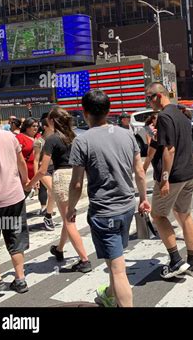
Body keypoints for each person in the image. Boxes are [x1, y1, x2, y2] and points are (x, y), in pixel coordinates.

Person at [66, 90, 150, 307]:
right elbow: (140, 172)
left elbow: (76, 184)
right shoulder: (127, 135)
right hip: (126, 207)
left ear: (84, 113)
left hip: (104, 212)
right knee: (115, 258)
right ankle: (110, 296)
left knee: (117, 267)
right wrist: (143, 198)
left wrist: (70, 208)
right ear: (109, 110)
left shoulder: (82, 141)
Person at [25, 107, 92, 273]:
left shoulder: (52, 139)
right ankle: (60, 249)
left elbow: (42, 169)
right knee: (67, 216)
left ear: (53, 121)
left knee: (69, 221)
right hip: (77, 176)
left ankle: (84, 259)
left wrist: (30, 184)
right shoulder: (75, 137)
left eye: (48, 118)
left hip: (62, 177)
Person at [146, 82, 193, 279]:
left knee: (158, 216)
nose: (148, 102)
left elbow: (169, 149)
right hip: (188, 173)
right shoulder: (181, 114)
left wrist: (164, 178)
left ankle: (176, 260)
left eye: (149, 97)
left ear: (158, 96)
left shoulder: (164, 116)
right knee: (184, 214)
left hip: (174, 175)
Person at [0, 110, 30, 296]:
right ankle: (20, 279)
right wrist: (26, 183)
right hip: (14, 196)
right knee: (15, 236)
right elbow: (21, 163)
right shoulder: (8, 136)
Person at [33, 118, 56, 231]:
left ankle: (48, 215)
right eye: (52, 124)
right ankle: (48, 215)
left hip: (55, 168)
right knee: (53, 190)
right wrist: (36, 178)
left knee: (54, 192)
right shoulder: (39, 142)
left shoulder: (56, 138)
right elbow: (36, 160)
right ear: (45, 127)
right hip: (44, 169)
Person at [16, 118, 39, 191]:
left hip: (38, 172)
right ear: (27, 127)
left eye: (37, 126)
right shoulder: (20, 137)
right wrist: (26, 178)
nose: (36, 128)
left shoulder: (39, 137)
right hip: (24, 173)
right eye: (33, 126)